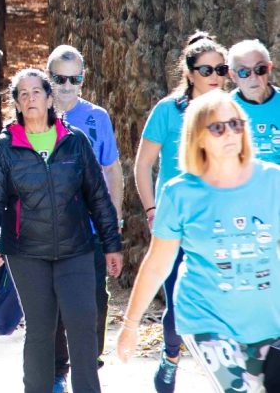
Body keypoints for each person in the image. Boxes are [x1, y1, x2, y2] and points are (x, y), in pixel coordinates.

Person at [117, 90, 280, 393]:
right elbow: (157, 264)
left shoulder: (273, 181)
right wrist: (129, 325)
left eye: (235, 124)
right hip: (208, 321)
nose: (229, 133)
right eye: (217, 127)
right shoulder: (180, 193)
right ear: (199, 137)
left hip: (269, 321)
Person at [0, 69, 123, 393]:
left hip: (77, 250)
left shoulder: (75, 141)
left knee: (83, 325)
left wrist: (112, 243)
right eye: (23, 94)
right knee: (41, 330)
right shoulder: (5, 147)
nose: (31, 99)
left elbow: (98, 196)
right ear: (15, 103)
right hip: (27, 253)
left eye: (36, 92)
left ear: (49, 97)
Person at [135, 32, 228, 392]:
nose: (215, 75)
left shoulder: (231, 111)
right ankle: (171, 355)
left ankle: (226, 373)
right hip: (175, 222)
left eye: (221, 68)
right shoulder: (167, 111)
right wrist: (151, 210)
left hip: (219, 223)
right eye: (207, 69)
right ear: (189, 73)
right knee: (176, 301)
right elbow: (143, 164)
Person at [46, 44, 123, 388]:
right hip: (49, 229)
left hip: (91, 226)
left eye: (73, 78)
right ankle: (58, 367)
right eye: (59, 78)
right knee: (55, 302)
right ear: (49, 78)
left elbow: (112, 169)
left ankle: (88, 358)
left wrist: (115, 221)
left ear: (82, 79)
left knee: (94, 296)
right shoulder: (34, 114)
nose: (66, 85)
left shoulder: (98, 118)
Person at [227, 38, 280, 164]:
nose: (253, 78)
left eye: (260, 69)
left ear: (269, 68)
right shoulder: (224, 109)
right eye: (244, 72)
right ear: (233, 76)